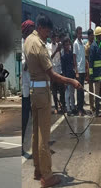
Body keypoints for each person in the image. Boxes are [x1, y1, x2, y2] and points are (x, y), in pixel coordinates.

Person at [24, 14, 81, 187]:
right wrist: (71, 81)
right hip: (42, 91)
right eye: (46, 32)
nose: (48, 35)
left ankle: (37, 169)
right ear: (40, 27)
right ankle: (47, 176)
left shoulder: (27, 41)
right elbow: (52, 75)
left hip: (34, 89)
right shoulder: (39, 46)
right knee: (44, 135)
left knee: (35, 133)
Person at [21, 19, 35, 152]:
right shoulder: (22, 45)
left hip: (33, 86)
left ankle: (34, 144)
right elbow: (23, 66)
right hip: (25, 89)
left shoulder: (31, 44)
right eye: (30, 31)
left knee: (35, 117)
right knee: (25, 118)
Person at [89, 27, 101, 117]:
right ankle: (97, 111)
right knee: (97, 94)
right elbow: (91, 62)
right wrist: (91, 74)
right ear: (97, 36)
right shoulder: (93, 47)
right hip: (96, 75)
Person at [50, 31, 65, 114]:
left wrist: (60, 48)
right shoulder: (48, 46)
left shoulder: (59, 44)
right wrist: (56, 50)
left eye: (55, 37)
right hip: (52, 71)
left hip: (59, 70)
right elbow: (50, 57)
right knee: (54, 91)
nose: (54, 39)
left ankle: (62, 106)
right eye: (52, 37)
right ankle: (56, 107)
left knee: (61, 90)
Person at [73, 26, 86, 116]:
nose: (80, 35)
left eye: (81, 33)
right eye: (79, 33)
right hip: (79, 70)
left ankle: (81, 107)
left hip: (83, 70)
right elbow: (74, 57)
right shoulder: (75, 43)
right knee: (79, 90)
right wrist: (76, 71)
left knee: (82, 90)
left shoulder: (82, 43)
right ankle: (79, 109)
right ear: (76, 33)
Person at [61, 36, 76, 116]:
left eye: (68, 44)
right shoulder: (63, 55)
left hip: (71, 74)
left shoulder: (70, 53)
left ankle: (73, 107)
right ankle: (68, 109)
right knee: (67, 94)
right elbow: (63, 69)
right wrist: (64, 79)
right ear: (63, 45)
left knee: (72, 92)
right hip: (66, 76)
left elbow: (72, 64)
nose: (67, 46)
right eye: (66, 45)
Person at [85, 29, 95, 112]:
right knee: (91, 88)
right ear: (88, 36)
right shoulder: (87, 46)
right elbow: (86, 60)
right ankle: (92, 105)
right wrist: (87, 72)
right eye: (91, 35)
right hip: (90, 68)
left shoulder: (95, 44)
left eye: (93, 35)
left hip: (96, 68)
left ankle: (96, 103)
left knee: (98, 87)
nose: (93, 37)